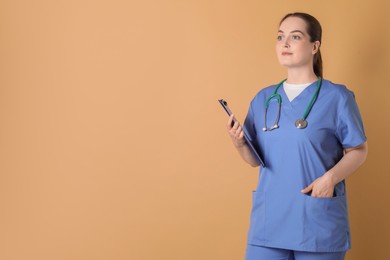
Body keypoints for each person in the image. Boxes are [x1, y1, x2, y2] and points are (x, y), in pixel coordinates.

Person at [226, 12, 368, 260]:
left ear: (315, 46)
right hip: (269, 222)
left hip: (316, 222)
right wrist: (239, 143)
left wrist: (330, 179)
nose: (285, 43)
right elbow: (254, 159)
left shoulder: (337, 98)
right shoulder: (264, 99)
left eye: (295, 36)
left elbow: (359, 150)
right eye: (280, 37)